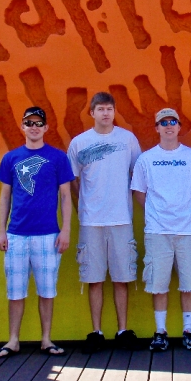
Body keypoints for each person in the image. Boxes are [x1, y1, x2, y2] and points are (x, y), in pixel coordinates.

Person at [0, 106, 74, 358]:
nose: (34, 127)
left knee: (47, 291)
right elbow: (5, 196)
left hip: (48, 235)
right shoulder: (10, 158)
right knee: (15, 291)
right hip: (16, 235)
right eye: (30, 123)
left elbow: (66, 196)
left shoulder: (59, 158)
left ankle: (46, 339)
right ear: (23, 126)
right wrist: (1, 231)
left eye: (39, 123)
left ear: (46, 127)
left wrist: (66, 230)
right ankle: (13, 340)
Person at [67, 92, 142, 353]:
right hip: (91, 221)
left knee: (122, 278)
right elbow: (73, 181)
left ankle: (123, 331)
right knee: (94, 278)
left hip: (122, 219)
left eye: (109, 108)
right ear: (92, 112)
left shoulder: (127, 139)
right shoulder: (79, 142)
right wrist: (87, 204)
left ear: (114, 111)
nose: (105, 113)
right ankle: (96, 332)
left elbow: (138, 175)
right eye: (100, 109)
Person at [131, 108, 191, 351]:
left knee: (189, 282)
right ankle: (160, 331)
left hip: (187, 229)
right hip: (157, 230)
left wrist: (181, 211)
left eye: (173, 121)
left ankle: (189, 330)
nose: (168, 126)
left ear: (179, 126)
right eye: (163, 122)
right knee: (158, 283)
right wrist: (158, 212)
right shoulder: (146, 159)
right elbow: (139, 193)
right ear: (156, 128)